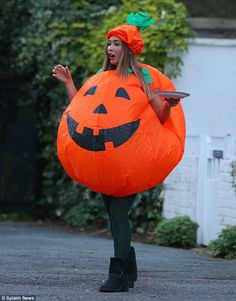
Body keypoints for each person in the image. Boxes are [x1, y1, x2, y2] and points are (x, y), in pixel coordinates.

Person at [52, 12, 180, 293]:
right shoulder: (101, 77)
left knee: (119, 214)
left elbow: (160, 115)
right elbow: (82, 114)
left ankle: (119, 273)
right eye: (109, 43)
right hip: (106, 161)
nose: (110, 48)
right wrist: (69, 84)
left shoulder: (142, 77)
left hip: (130, 161)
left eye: (117, 44)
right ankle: (129, 265)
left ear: (129, 48)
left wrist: (168, 104)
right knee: (113, 215)